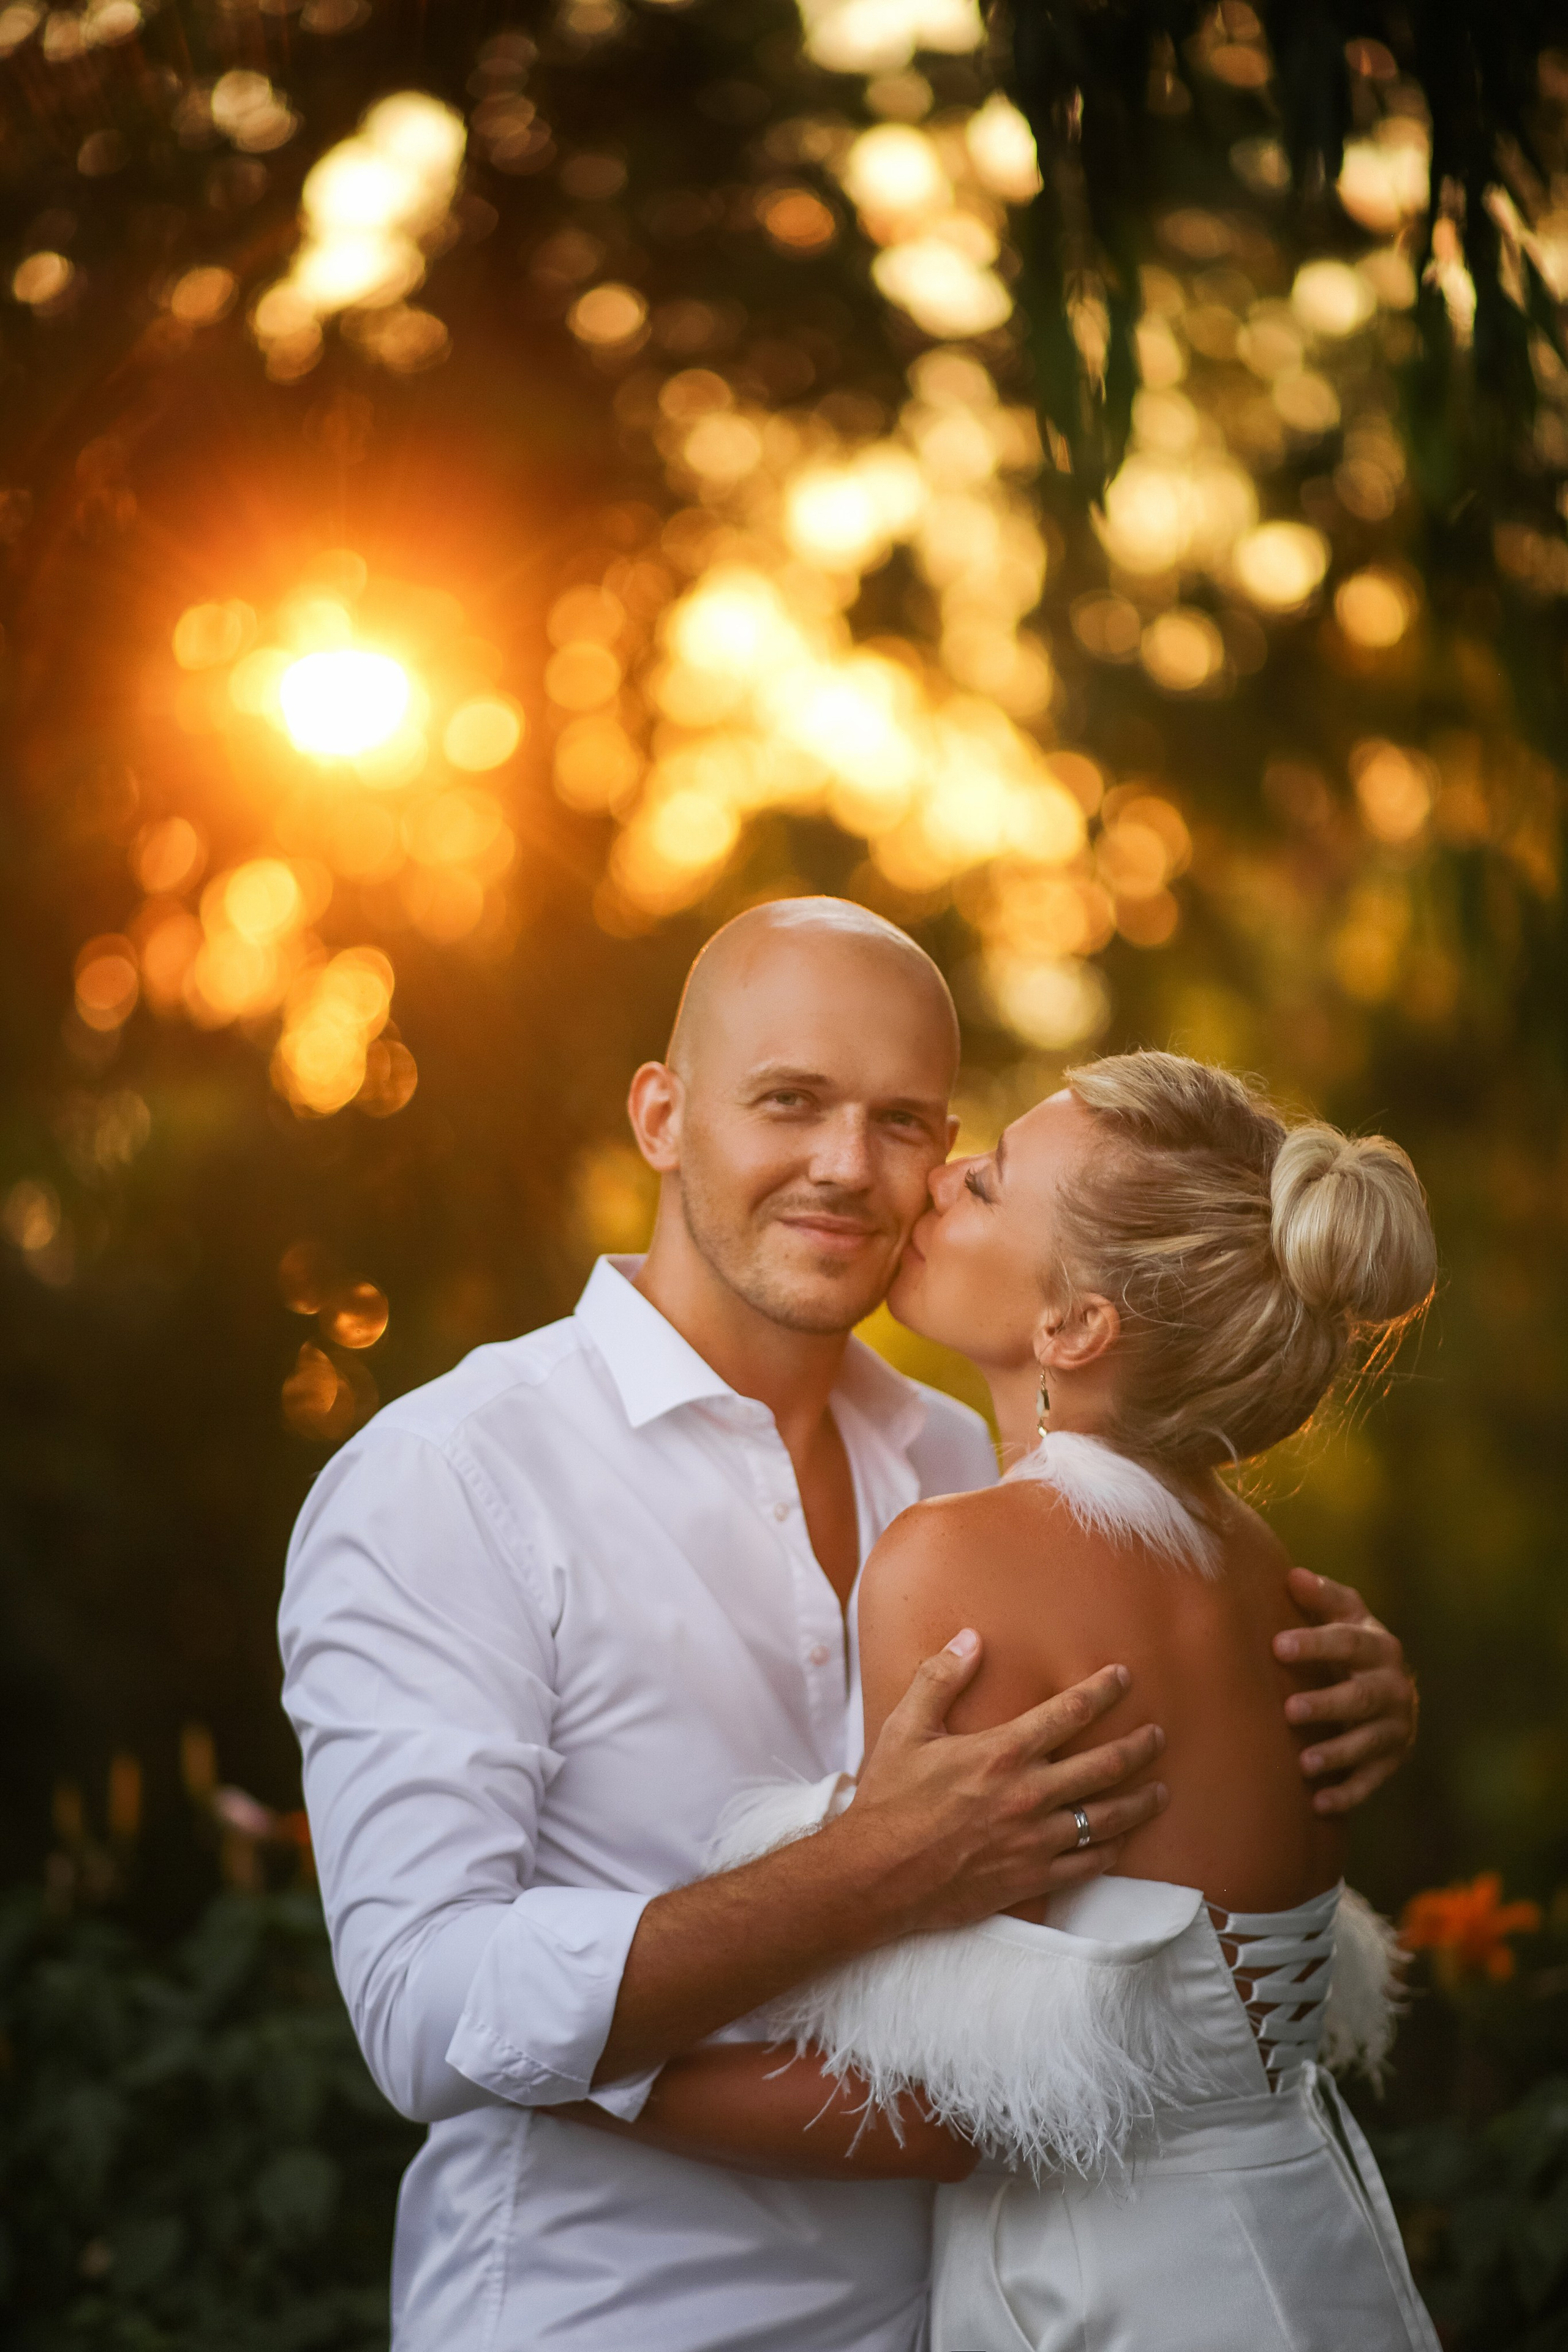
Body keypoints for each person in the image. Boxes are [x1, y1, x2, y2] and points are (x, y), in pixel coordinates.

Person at [278, 900, 1419, 2352]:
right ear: (659, 1114)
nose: (846, 1165)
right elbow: (423, 2008)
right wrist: (864, 1867)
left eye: (904, 1123)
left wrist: (1339, 1701)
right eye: (788, 1102)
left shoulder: (972, 1470)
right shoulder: (450, 1478)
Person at [648, 1050, 1441, 2351]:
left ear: (1072, 1327)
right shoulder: (1273, 1580)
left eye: (987, 1182)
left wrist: (575, 2074)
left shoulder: (953, 1558)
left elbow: (938, 2115)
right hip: (1314, 2257)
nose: (937, 1177)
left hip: (1122, 2305)